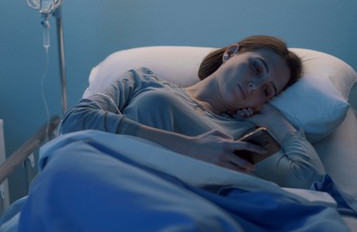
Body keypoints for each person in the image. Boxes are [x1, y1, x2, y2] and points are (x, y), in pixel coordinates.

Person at [60, 35, 325, 189]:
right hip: (105, 182)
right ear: (231, 53)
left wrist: (275, 119)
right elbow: (75, 122)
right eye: (256, 68)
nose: (255, 85)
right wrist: (188, 147)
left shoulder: (242, 136)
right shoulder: (142, 80)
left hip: (169, 211)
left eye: (267, 91)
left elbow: (309, 180)